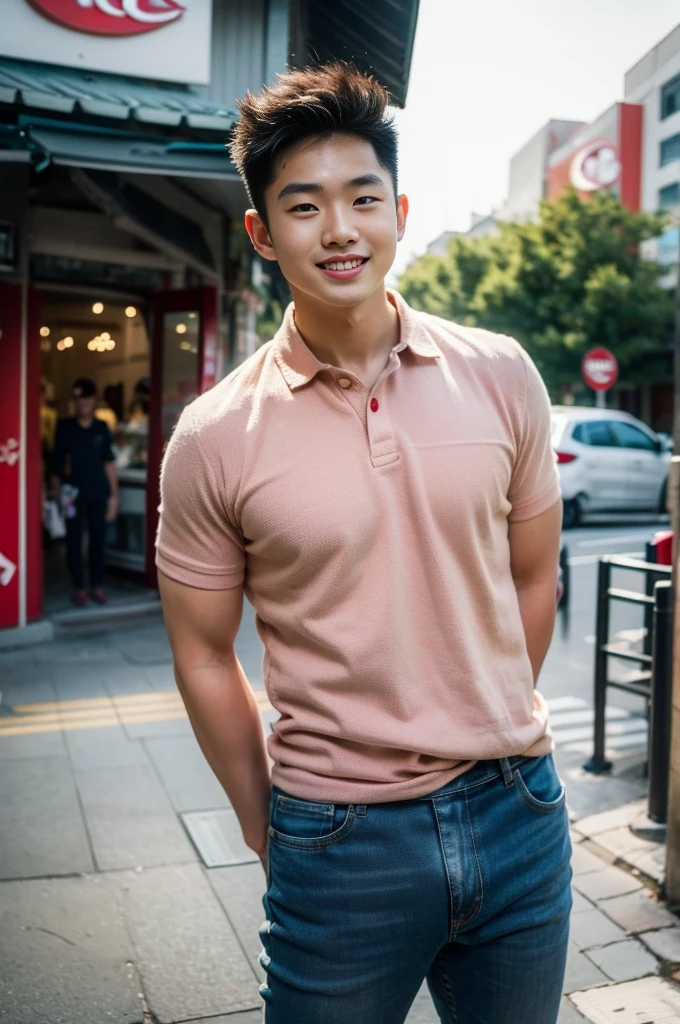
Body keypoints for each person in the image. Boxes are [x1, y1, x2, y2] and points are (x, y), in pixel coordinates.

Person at [156, 64, 569, 1024]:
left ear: (398, 211)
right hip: (338, 840)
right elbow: (203, 651)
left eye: (361, 198)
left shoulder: (503, 374)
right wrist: (270, 820)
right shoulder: (215, 435)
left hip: (521, 817)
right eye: (303, 206)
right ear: (261, 232)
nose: (338, 229)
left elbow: (532, 575)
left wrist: (490, 713)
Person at [51, 377, 119, 606]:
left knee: (97, 542)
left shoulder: (101, 428)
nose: (83, 403)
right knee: (73, 542)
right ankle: (79, 586)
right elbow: (56, 465)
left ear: (93, 400)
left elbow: (109, 463)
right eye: (78, 399)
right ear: (74, 401)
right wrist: (56, 493)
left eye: (87, 398)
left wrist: (114, 496)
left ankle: (96, 586)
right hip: (72, 495)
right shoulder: (65, 427)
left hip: (98, 493)